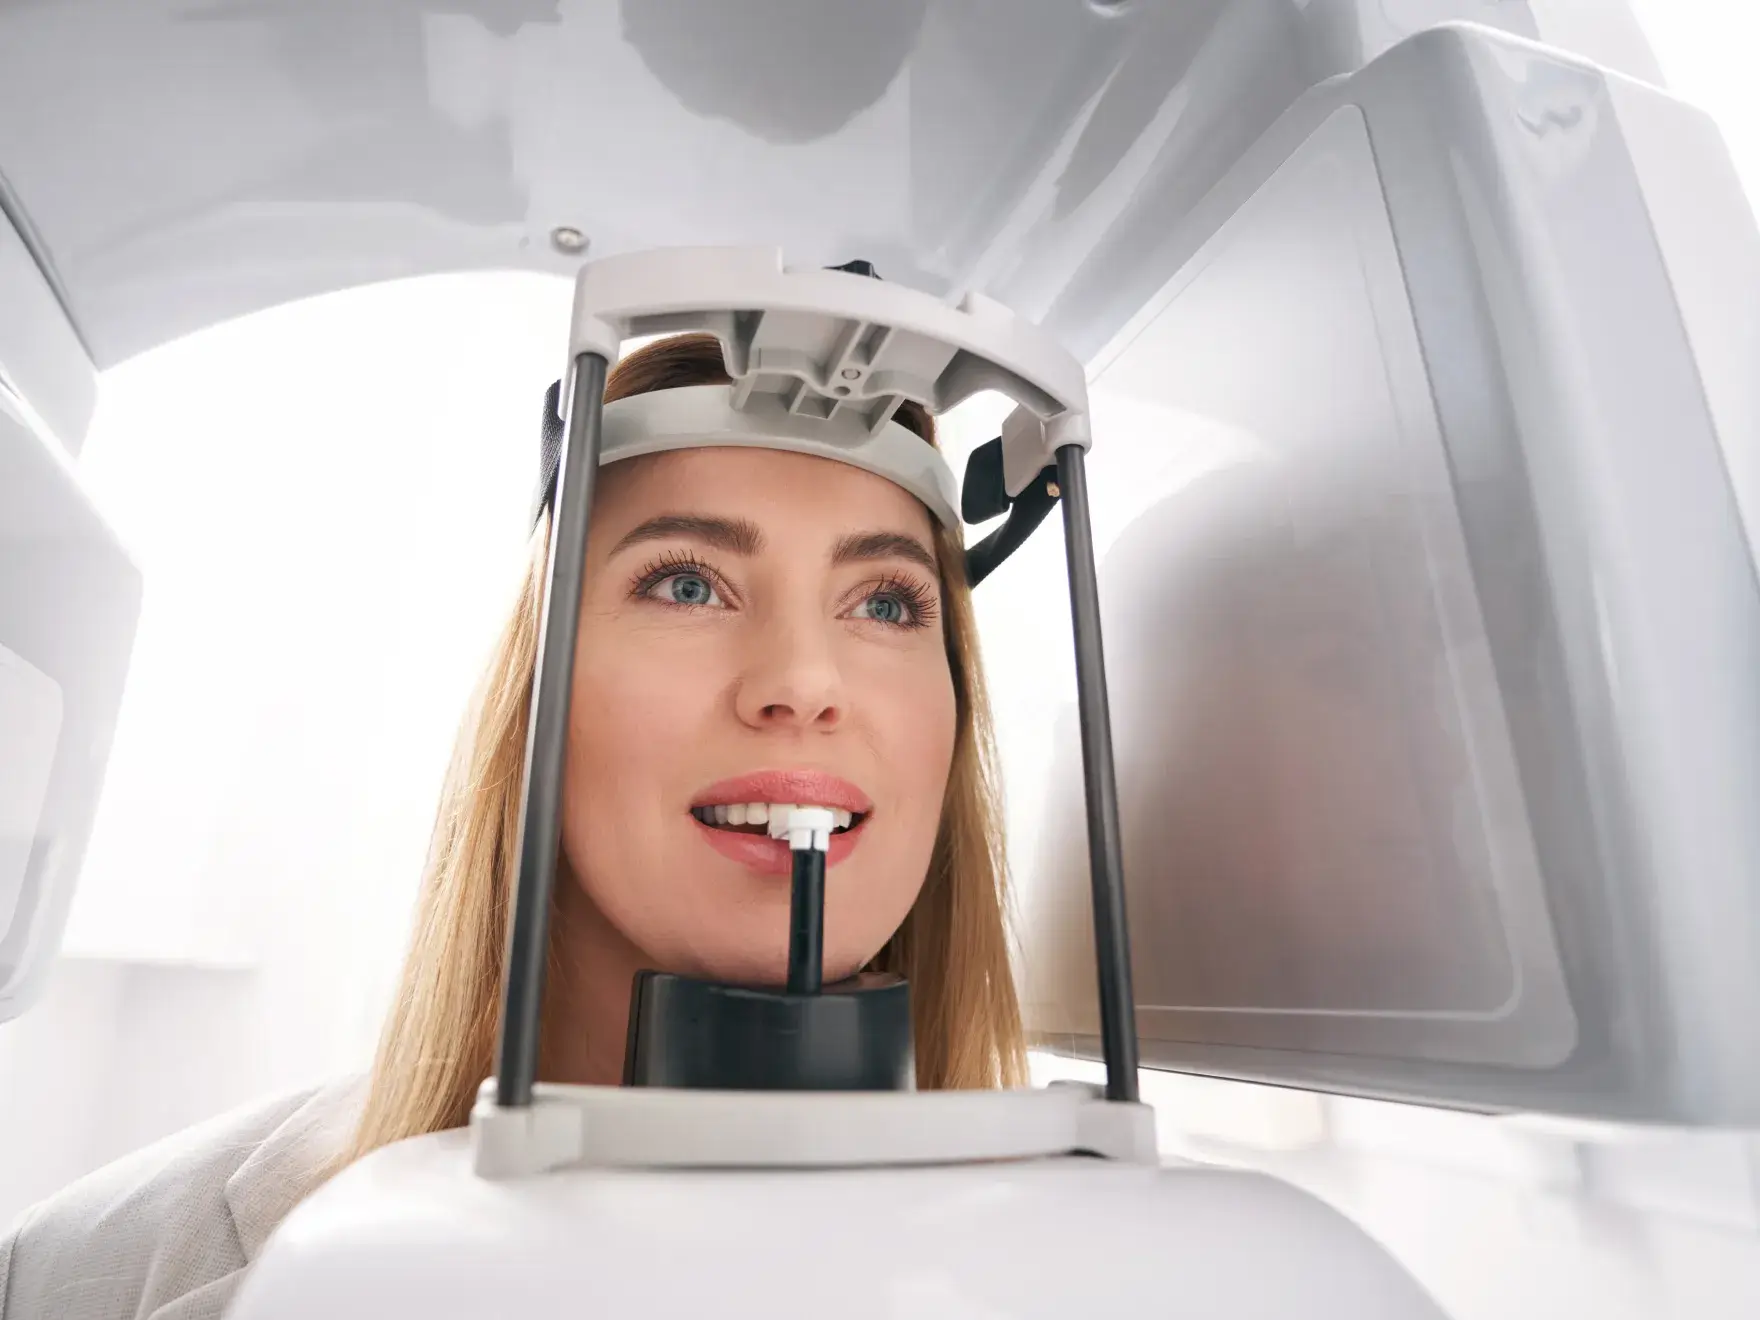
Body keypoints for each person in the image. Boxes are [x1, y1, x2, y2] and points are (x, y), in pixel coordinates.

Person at [0, 332, 1027, 1320]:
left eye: (886, 603)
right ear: (535, 694)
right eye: (685, 583)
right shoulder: (67, 1278)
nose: (803, 682)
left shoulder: (1111, 1277)